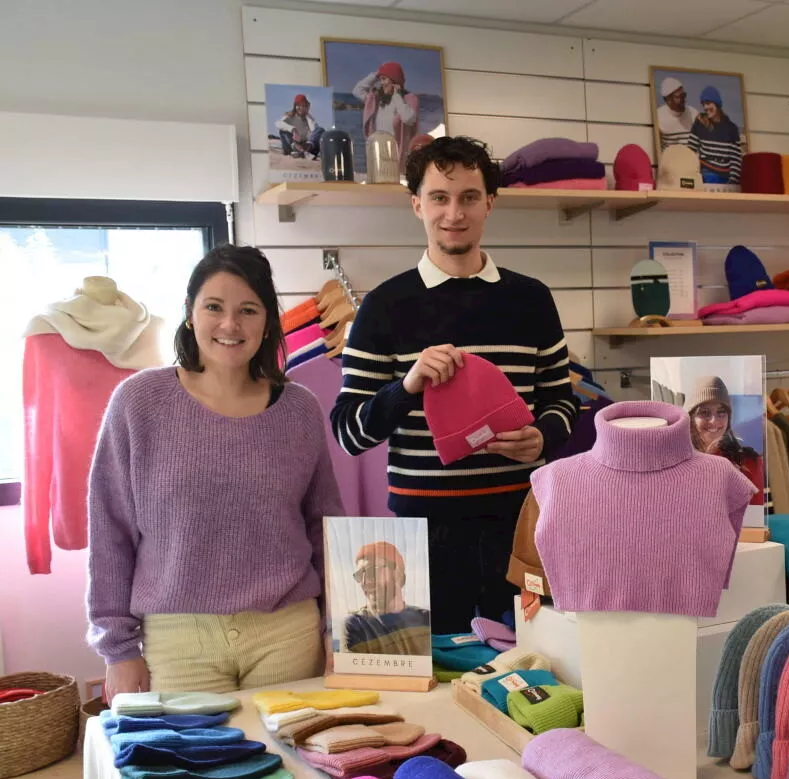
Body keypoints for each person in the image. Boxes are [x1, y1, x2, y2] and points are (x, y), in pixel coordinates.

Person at [331, 136, 578, 634]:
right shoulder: (383, 306)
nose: (454, 213)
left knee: (525, 667)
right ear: (416, 204)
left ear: (490, 202)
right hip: (421, 538)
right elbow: (348, 433)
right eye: (440, 198)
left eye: (468, 197)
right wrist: (407, 386)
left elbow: (562, 401)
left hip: (521, 523)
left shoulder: (531, 299)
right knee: (433, 680)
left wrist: (544, 437)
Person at [87, 245, 344, 702]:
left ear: (268, 323)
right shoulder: (139, 403)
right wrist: (117, 648)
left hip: (288, 631)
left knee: (295, 768)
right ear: (190, 314)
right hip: (179, 638)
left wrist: (338, 628)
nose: (230, 325)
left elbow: (325, 529)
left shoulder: (300, 408)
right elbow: (110, 531)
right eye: (214, 307)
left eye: (248, 310)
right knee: (194, 772)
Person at [343, 541, 432, 656]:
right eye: (360, 575)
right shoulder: (355, 625)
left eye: (372, 571)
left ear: (397, 574)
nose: (365, 582)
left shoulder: (425, 619)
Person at [687, 376, 764, 506]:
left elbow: (754, 521)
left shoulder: (749, 463)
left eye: (721, 412)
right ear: (690, 418)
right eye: (705, 412)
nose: (714, 421)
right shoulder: (675, 461)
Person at [354, 61, 419, 171]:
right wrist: (376, 74)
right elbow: (357, 90)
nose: (381, 83)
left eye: (384, 79)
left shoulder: (410, 99)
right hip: (379, 153)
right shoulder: (377, 99)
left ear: (395, 81)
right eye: (380, 80)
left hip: (398, 156)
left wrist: (397, 97)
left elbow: (409, 119)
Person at [690, 85, 743, 186]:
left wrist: (733, 180)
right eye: (703, 104)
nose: (705, 107)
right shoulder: (699, 123)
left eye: (708, 103)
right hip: (707, 174)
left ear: (717, 104)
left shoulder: (731, 128)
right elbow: (690, 150)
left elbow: (735, 157)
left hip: (726, 176)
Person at [275, 93, 323, 159]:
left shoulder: (309, 118)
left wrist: (307, 115)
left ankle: (305, 151)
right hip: (293, 145)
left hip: (307, 145)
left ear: (306, 106)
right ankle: (299, 151)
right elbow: (278, 123)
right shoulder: (290, 115)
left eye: (303, 105)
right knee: (282, 131)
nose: (301, 108)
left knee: (320, 130)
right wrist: (292, 129)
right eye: (299, 105)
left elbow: (314, 130)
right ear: (295, 106)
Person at [655, 76, 695, 151]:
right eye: (679, 97)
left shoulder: (694, 114)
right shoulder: (658, 116)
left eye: (684, 95)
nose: (683, 99)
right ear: (667, 100)